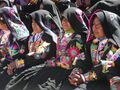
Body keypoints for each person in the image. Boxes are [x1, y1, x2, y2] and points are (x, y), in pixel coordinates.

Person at [5, 7, 89, 90]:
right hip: (51, 65)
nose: (63, 22)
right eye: (62, 19)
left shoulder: (75, 38)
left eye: (67, 20)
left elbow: (38, 57)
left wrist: (18, 63)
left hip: (64, 70)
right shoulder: (60, 34)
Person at [69, 10, 120, 90]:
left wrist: (84, 77)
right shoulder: (94, 43)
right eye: (93, 24)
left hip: (108, 83)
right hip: (93, 80)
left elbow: (106, 66)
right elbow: (85, 58)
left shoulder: (114, 46)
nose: (94, 27)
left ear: (107, 26)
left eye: (98, 25)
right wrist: (77, 70)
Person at [0, 7, 29, 90]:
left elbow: (26, 59)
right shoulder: (10, 34)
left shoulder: (21, 36)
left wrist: (15, 65)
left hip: (21, 68)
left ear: (6, 22)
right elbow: (10, 55)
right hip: (10, 66)